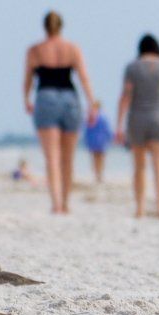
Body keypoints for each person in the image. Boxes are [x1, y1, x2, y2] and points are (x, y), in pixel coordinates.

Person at [24, 11, 102, 214]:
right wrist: (92, 104)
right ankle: (66, 204)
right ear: (62, 26)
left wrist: (26, 99)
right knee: (68, 158)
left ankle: (56, 203)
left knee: (52, 158)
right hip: (70, 99)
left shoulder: (35, 50)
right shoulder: (72, 48)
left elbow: (28, 80)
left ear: (44, 27)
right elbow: (84, 78)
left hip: (46, 97)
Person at [117, 34, 159, 219]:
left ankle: (140, 208)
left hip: (137, 119)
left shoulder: (132, 67)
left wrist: (119, 125)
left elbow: (126, 96)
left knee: (139, 167)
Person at [83, 111, 113, 184]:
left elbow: (86, 131)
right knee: (100, 159)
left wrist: (86, 141)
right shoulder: (102, 119)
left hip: (94, 142)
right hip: (101, 141)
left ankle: (97, 175)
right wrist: (109, 139)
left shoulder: (90, 119)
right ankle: (99, 175)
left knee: (96, 159)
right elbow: (107, 130)